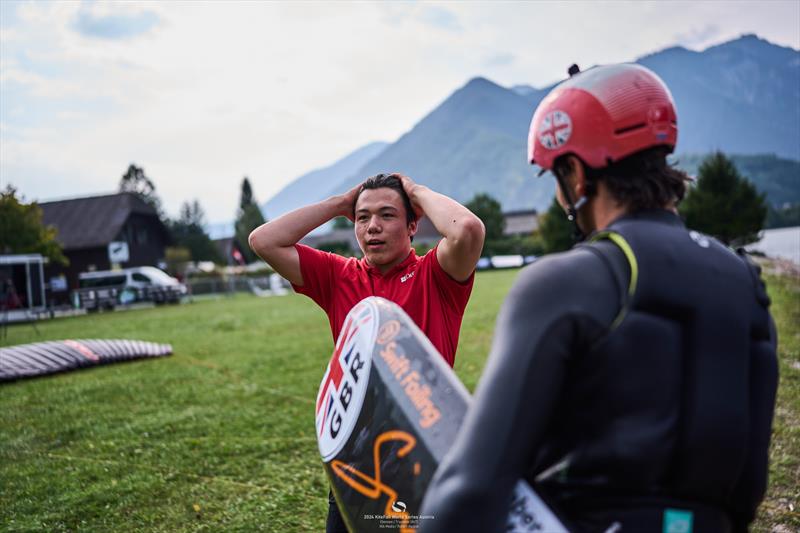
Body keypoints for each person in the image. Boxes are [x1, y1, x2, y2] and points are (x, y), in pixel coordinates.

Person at [419, 64, 778, 533]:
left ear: (576, 173)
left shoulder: (565, 280)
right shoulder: (746, 283)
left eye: (556, 175)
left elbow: (472, 489)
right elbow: (748, 488)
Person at [249, 172, 485, 532]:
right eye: (363, 218)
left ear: (412, 225)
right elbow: (263, 241)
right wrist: (338, 205)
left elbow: (467, 229)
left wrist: (417, 191)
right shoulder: (338, 276)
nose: (372, 227)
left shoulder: (436, 275)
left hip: (425, 457)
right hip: (355, 464)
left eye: (387, 215)